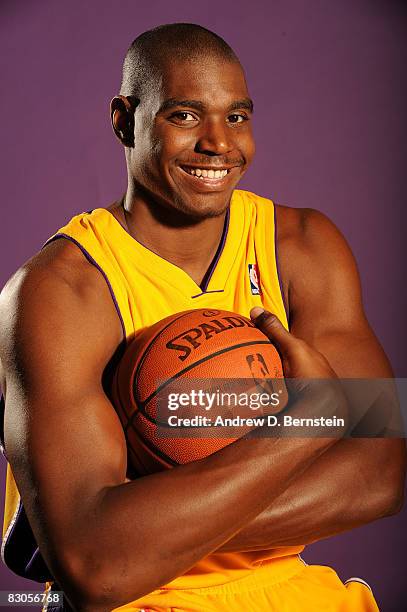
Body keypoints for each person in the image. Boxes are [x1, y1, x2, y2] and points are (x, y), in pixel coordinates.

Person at [0, 23, 404, 612]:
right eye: (185, 116)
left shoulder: (305, 245)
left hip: (294, 594)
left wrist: (148, 527)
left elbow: (384, 471)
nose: (219, 144)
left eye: (237, 117)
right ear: (123, 120)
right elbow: (97, 570)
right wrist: (306, 425)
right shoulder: (58, 293)